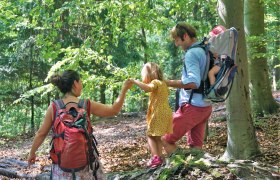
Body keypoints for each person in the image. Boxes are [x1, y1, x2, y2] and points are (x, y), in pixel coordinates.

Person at [27, 70, 132, 179]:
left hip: (62, 166)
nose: (82, 85)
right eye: (80, 82)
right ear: (75, 83)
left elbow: (41, 133)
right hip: (86, 165)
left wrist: (32, 153)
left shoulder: (54, 107)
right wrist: (124, 89)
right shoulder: (86, 104)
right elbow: (113, 110)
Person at [161, 22, 212, 155]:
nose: (176, 44)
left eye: (177, 40)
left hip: (192, 107)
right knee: (196, 147)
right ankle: (194, 171)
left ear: (185, 36)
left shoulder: (192, 54)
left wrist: (166, 82)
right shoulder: (205, 50)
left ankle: (182, 164)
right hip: (205, 106)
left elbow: (193, 83)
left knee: (165, 138)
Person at [130, 62, 173, 168]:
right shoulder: (163, 83)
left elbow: (147, 88)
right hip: (165, 113)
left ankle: (155, 158)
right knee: (157, 136)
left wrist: (134, 81)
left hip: (158, 113)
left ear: (149, 74)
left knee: (150, 135)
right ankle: (160, 157)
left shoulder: (155, 82)